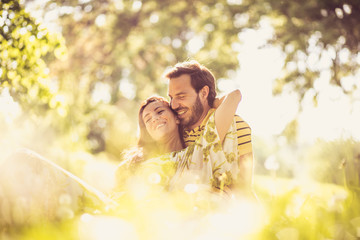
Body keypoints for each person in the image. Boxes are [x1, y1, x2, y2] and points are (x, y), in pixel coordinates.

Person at [164, 60, 254, 196]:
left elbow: (244, 187)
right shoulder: (173, 127)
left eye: (181, 96)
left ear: (204, 93)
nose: (174, 105)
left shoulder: (235, 125)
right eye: (171, 98)